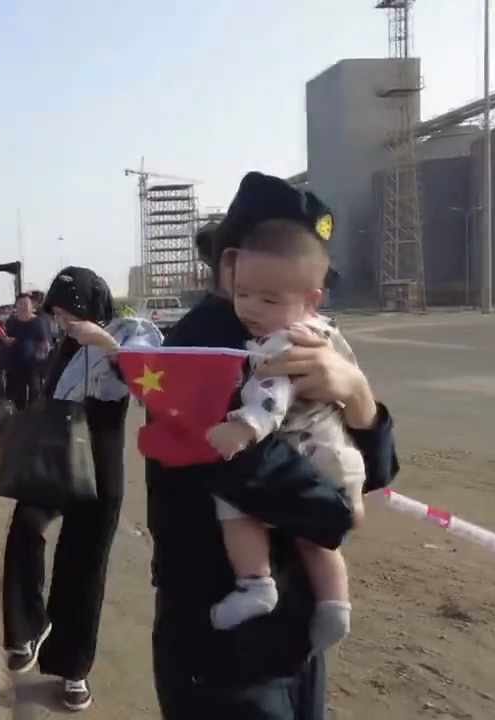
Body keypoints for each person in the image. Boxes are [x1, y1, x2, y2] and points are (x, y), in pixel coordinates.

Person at [146, 172, 400, 720]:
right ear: (232, 263)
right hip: (225, 635)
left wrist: (356, 394)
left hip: (291, 616)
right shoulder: (200, 348)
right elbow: (251, 469)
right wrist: (338, 510)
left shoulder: (298, 336)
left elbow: (377, 469)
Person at [203, 220, 367, 654]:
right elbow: (351, 382)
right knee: (316, 541)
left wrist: (242, 428)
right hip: (339, 454)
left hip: (303, 454)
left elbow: (270, 399)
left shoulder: (280, 344)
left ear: (311, 299)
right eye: (243, 294)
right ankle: (335, 605)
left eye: (269, 299)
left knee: (232, 503)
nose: (250, 308)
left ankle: (255, 582)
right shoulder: (326, 332)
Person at [0, 268, 128, 712]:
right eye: (56, 313)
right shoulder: (63, 349)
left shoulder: (128, 334)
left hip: (102, 468)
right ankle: (28, 626)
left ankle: (74, 670)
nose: (63, 321)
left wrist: (106, 344)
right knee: (25, 525)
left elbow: (152, 380)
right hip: (56, 461)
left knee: (84, 567)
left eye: (69, 312)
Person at [0, 293, 48, 410]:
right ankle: (19, 416)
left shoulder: (38, 323)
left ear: (32, 306)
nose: (24, 306)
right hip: (15, 363)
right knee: (18, 394)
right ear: (16, 306)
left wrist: (42, 352)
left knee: (35, 391)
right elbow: (4, 337)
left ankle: (33, 416)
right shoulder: (11, 322)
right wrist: (6, 341)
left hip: (33, 363)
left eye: (27, 303)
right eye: (21, 304)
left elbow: (44, 341)